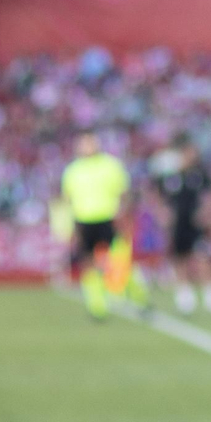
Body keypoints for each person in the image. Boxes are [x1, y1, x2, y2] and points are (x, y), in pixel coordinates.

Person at [61, 131, 134, 321]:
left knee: (117, 258)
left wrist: (123, 216)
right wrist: (70, 227)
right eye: (83, 143)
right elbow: (67, 200)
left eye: (90, 143)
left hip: (109, 218)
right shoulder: (72, 170)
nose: (87, 147)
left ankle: (125, 292)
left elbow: (124, 193)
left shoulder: (110, 165)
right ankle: (96, 305)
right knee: (87, 263)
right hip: (84, 221)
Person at [153, 133, 211, 315]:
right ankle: (185, 294)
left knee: (202, 256)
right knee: (179, 257)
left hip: (195, 223)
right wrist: (162, 213)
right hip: (177, 224)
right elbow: (156, 195)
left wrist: (208, 213)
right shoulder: (170, 176)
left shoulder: (198, 174)